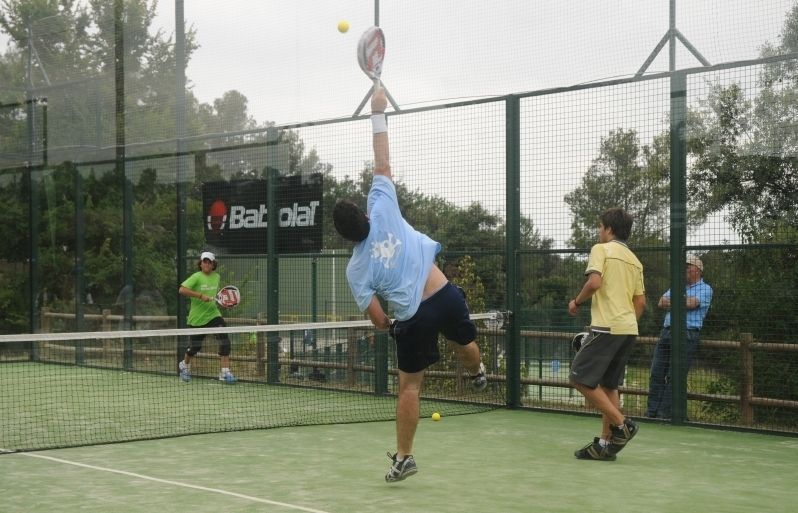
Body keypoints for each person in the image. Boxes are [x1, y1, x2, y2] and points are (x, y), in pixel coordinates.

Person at [332, 87, 487, 483]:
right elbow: (383, 160)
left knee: (409, 389)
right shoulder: (382, 203)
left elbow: (377, 318)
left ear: (347, 238)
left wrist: (387, 326)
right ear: (365, 215)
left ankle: (404, 458)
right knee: (466, 347)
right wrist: (378, 112)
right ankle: (479, 372)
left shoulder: (355, 269)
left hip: (412, 318)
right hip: (444, 294)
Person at [567, 208, 646, 461]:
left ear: (609, 229)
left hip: (606, 327)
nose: (599, 231)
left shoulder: (601, 250)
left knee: (579, 378)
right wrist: (626, 322)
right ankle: (603, 445)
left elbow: (594, 283)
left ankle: (622, 425)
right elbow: (641, 303)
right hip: (628, 328)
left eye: (600, 227)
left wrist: (576, 303)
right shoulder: (635, 260)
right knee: (609, 385)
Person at [646, 256, 713, 419]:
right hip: (667, 332)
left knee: (675, 374)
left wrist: (676, 301)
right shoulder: (677, 286)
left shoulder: (705, 289)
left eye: (687, 267)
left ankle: (665, 413)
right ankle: (652, 412)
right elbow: (661, 302)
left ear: (698, 269)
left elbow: (691, 304)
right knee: (657, 371)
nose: (684, 270)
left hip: (687, 334)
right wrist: (681, 301)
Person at [177, 251, 236, 383]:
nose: (207, 264)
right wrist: (200, 296)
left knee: (224, 340)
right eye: (205, 261)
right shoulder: (196, 277)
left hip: (213, 314)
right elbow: (181, 290)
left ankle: (225, 372)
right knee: (194, 348)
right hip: (197, 319)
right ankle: (185, 366)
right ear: (201, 263)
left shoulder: (217, 277)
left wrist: (223, 303)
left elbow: (216, 296)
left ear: (213, 264)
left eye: (209, 262)